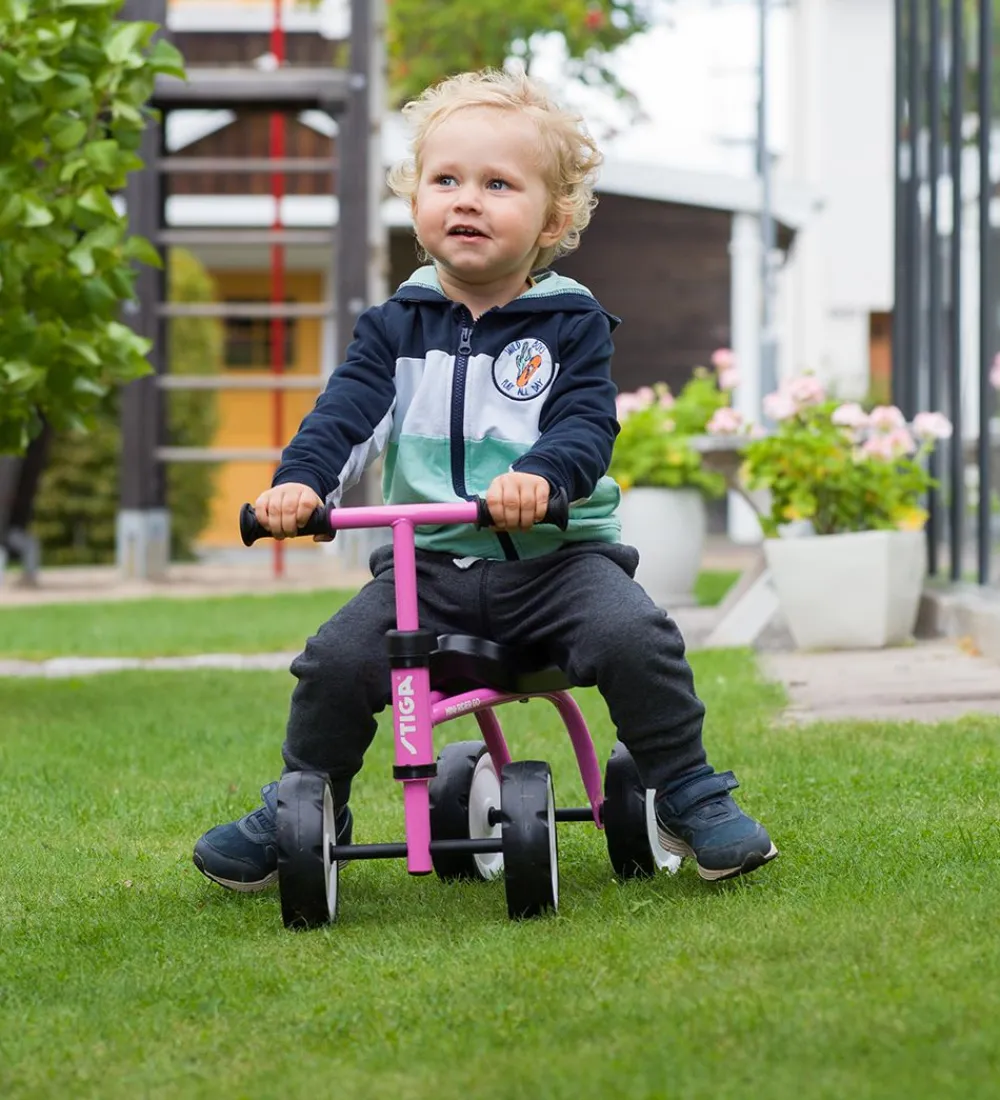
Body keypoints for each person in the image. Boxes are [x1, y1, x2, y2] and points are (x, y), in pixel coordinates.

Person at [193, 68, 777, 892]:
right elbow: (344, 419)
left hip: (555, 566)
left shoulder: (570, 322)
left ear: (554, 218)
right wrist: (301, 486)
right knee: (331, 662)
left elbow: (585, 424)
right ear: (416, 199)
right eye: (447, 180)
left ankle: (686, 788)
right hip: (424, 573)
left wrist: (541, 477)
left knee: (636, 636)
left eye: (498, 184)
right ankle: (307, 801)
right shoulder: (394, 326)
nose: (467, 200)